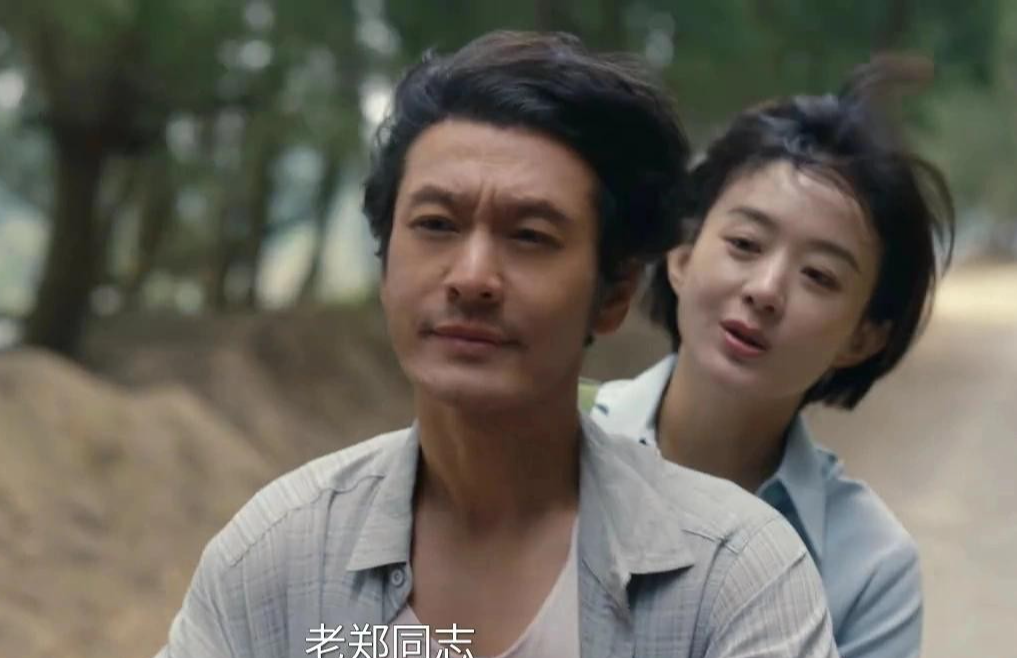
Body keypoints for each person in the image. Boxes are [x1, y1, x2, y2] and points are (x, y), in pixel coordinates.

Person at [156, 31, 837, 658]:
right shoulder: (277, 562)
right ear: (386, 264)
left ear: (614, 293)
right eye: (436, 224)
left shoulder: (733, 576)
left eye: (530, 236)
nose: (472, 277)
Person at [590, 57, 954, 658]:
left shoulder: (867, 567)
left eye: (819, 275)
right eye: (744, 243)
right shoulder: (545, 442)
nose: (766, 290)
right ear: (681, 256)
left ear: (863, 337)